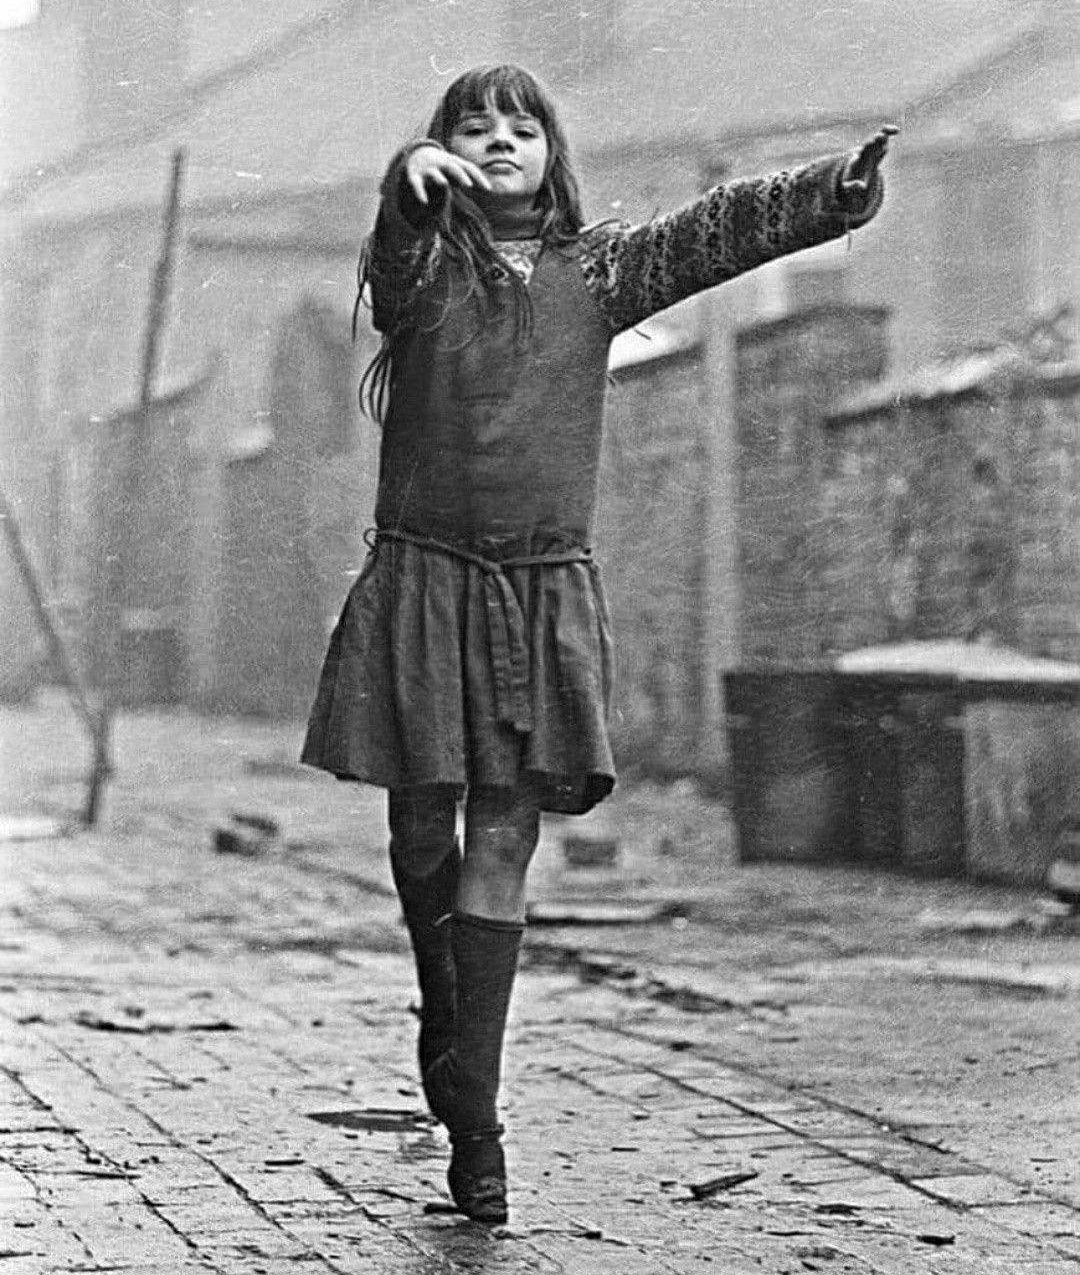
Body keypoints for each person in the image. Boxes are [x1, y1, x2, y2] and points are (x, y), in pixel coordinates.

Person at [302, 63, 891, 1224]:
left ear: (552, 153)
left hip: (541, 591)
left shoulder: (600, 269)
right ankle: (443, 998)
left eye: (522, 125)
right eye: (474, 126)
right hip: (424, 577)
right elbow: (394, 255)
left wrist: (833, 190)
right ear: (448, 154)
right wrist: (406, 187)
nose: (500, 138)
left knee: (506, 827)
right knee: (423, 815)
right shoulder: (426, 269)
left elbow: (714, 230)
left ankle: (476, 1116)